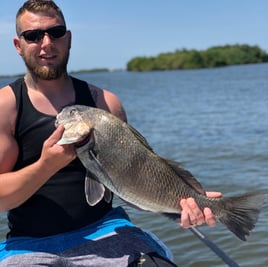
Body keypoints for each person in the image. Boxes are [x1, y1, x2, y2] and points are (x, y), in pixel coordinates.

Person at [0, 1, 221, 266]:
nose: (46, 43)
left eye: (55, 32)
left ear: (68, 39)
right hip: (30, 244)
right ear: (18, 45)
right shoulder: (6, 107)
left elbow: (134, 185)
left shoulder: (106, 103)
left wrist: (183, 206)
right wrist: (46, 166)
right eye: (33, 36)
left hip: (108, 229)